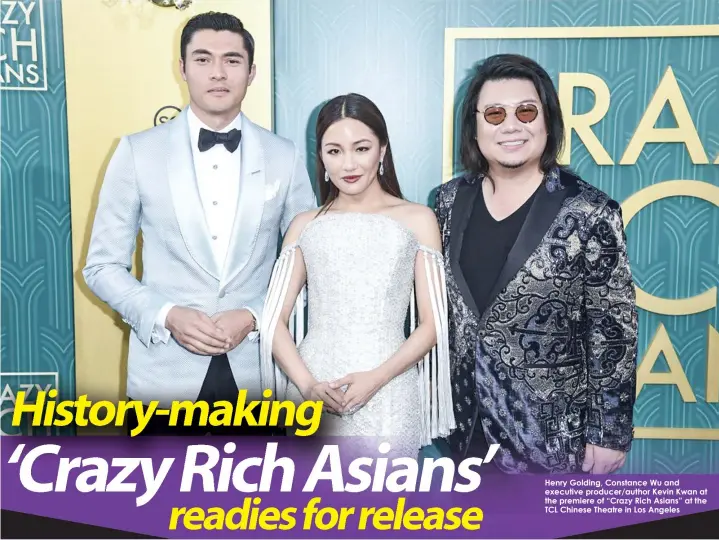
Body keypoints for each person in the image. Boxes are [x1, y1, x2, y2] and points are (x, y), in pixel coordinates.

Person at [83, 12, 316, 435]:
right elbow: (101, 267)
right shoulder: (137, 152)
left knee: (254, 502)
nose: (218, 73)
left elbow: (309, 267)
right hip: (162, 376)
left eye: (232, 60)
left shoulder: (285, 156)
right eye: (203, 59)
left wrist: (254, 315)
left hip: (258, 374)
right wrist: (167, 314)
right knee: (159, 498)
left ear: (251, 71)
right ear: (183, 68)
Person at [434, 54, 637, 473]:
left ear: (548, 122)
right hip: (463, 428)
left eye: (526, 111)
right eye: (494, 113)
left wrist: (610, 433)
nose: (511, 125)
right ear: (475, 126)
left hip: (551, 440)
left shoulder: (590, 211)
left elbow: (612, 329)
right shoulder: (449, 201)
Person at [258, 93, 456, 457]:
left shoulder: (418, 219)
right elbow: (273, 321)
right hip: (314, 387)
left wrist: (376, 379)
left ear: (382, 150)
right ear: (321, 157)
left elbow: (432, 324)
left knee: (388, 511)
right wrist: (307, 386)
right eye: (334, 151)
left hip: (390, 389)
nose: (348, 163)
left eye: (361, 148)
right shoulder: (305, 225)